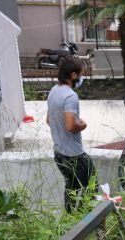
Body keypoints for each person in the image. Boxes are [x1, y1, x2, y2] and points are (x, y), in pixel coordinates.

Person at [46, 56, 94, 212]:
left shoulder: (54, 90)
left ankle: (71, 221)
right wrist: (83, 124)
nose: (82, 77)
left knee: (71, 188)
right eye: (81, 73)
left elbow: (48, 119)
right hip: (74, 155)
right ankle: (88, 222)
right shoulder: (70, 96)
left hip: (59, 153)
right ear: (73, 75)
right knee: (91, 188)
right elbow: (71, 125)